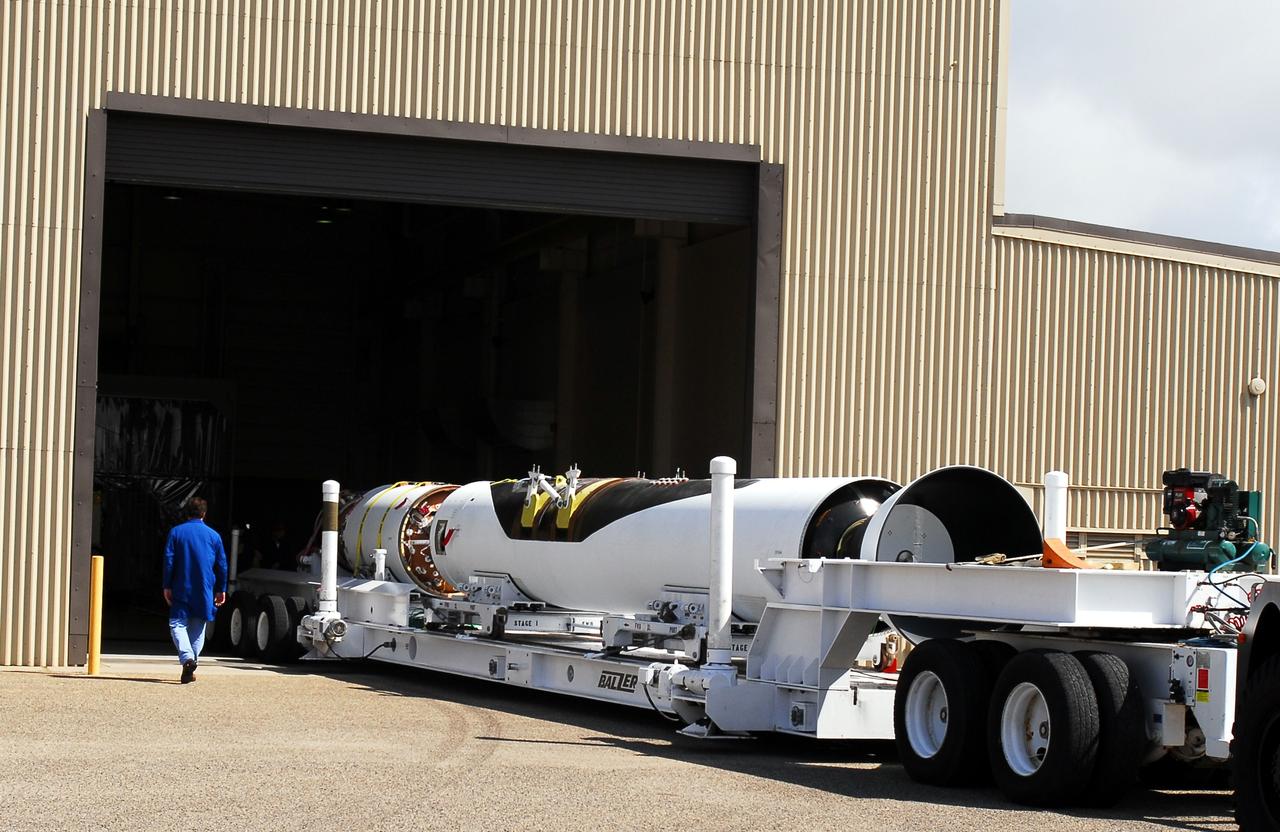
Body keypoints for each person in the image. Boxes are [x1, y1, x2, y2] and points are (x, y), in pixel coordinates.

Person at [163, 497, 227, 683]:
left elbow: (169, 561)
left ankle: (187, 659)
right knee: (198, 627)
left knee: (177, 623)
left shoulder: (176, 533)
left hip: (181, 585)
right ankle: (190, 665)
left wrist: (167, 585)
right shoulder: (214, 536)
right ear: (204, 514)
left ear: (186, 512)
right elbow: (222, 565)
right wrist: (221, 588)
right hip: (205, 587)